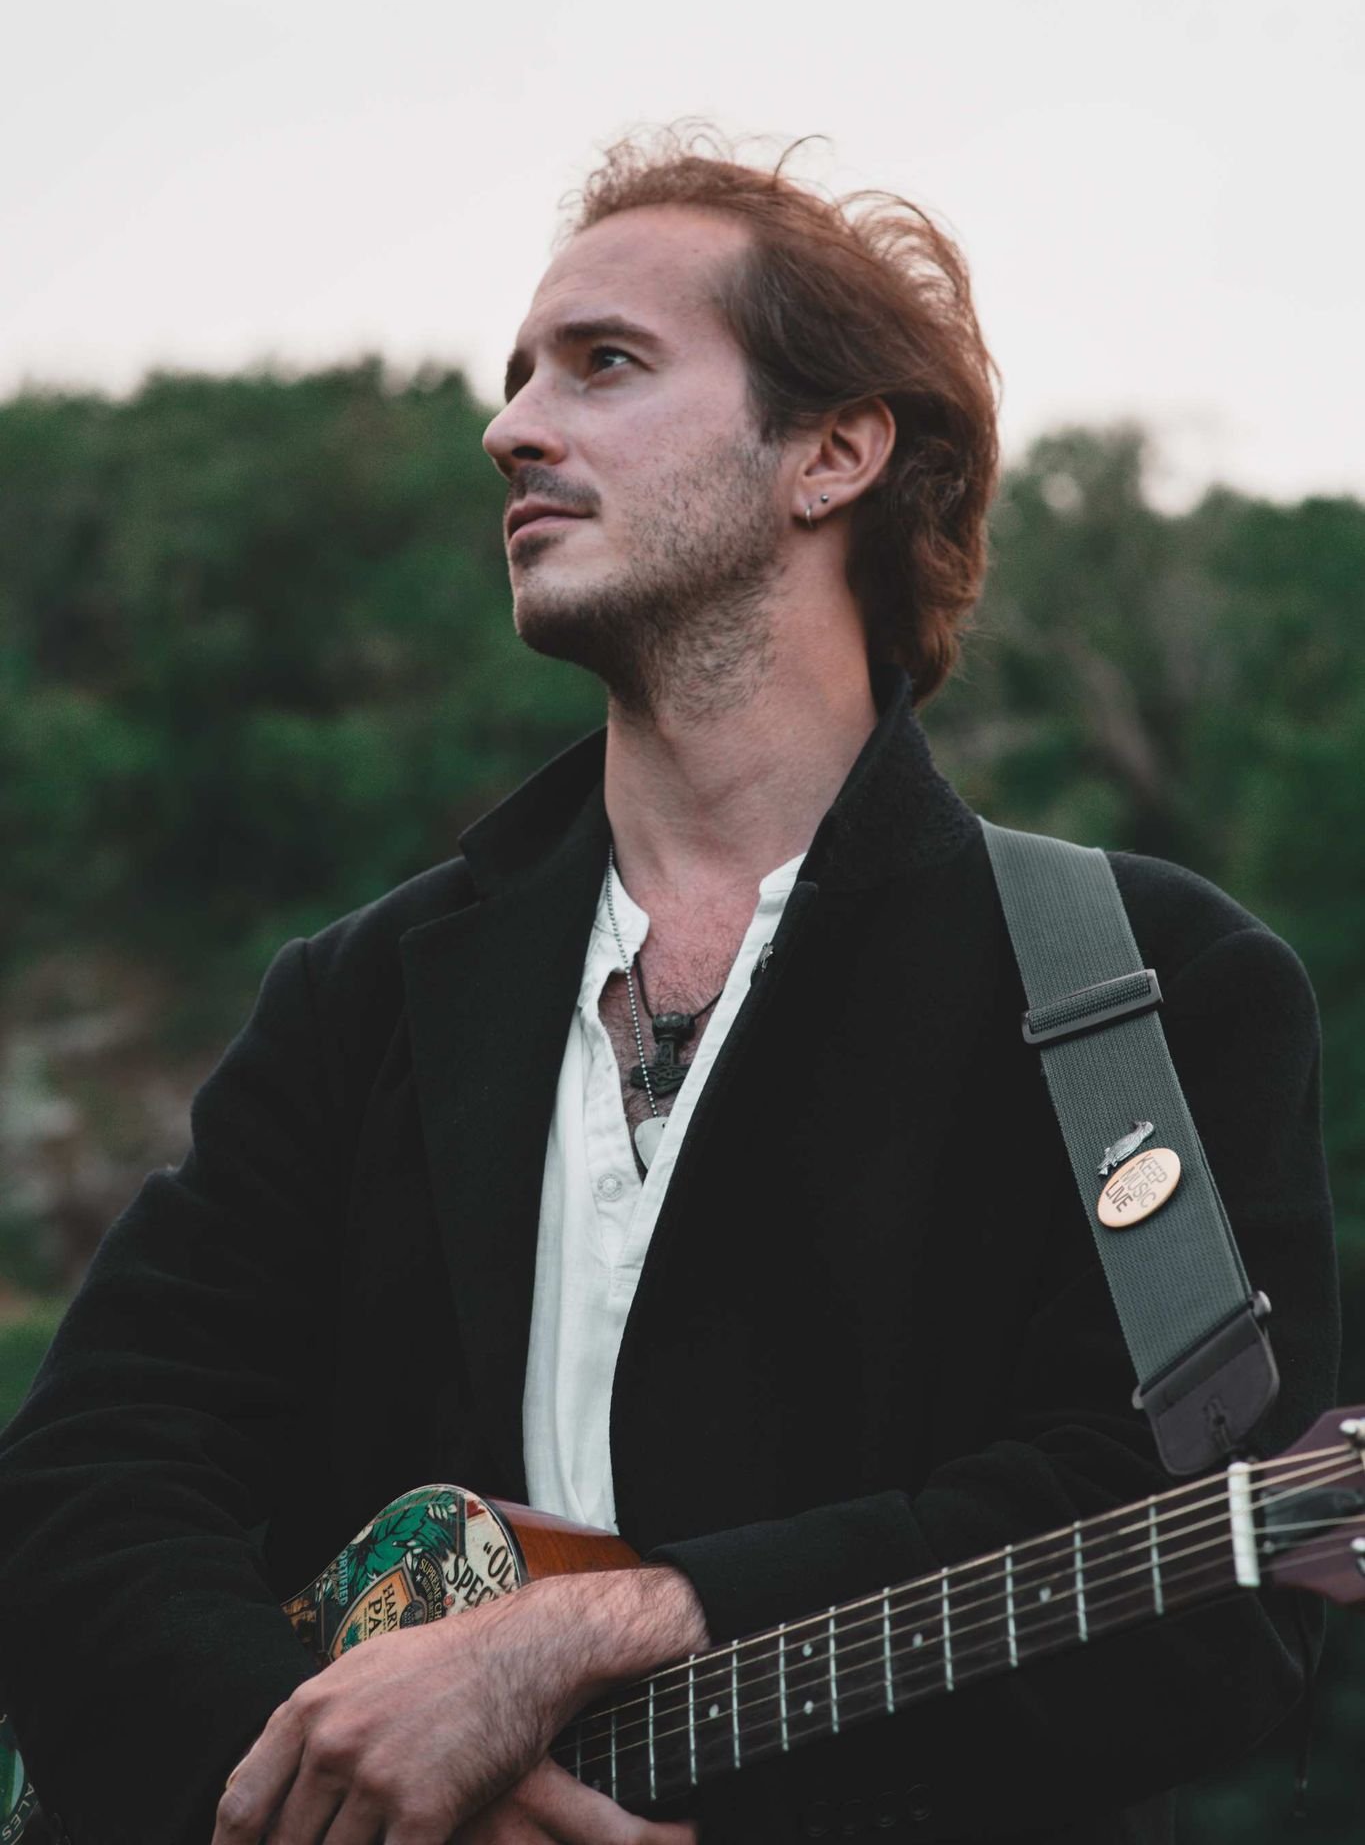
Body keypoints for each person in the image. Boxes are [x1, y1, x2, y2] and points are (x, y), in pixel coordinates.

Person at [0, 131, 1339, 1845]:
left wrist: (614, 1621)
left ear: (835, 452)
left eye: (605, 364)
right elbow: (85, 1479)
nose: (509, 428)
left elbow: (1198, 1573)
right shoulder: (361, 998)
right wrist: (356, 1781)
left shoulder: (1146, 990)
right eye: (516, 378)